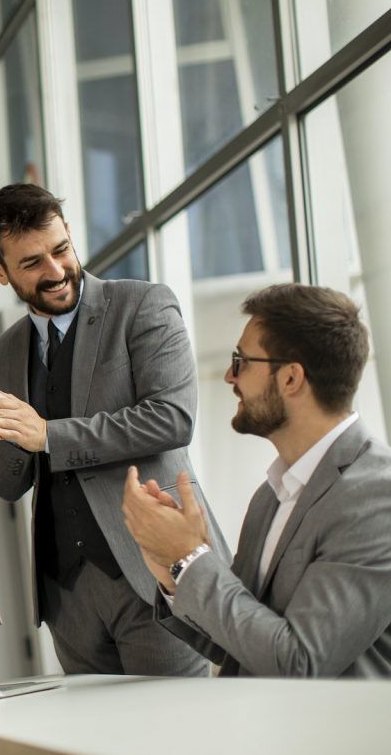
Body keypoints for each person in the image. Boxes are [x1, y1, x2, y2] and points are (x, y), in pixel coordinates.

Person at [0, 183, 227, 676]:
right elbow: (5, 483)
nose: (56, 271)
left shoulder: (142, 305)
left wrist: (49, 436)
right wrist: (2, 434)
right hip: (67, 597)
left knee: (181, 738)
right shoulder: (0, 355)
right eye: (31, 263)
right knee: (94, 751)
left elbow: (172, 418)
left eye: (61, 250)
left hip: (155, 575)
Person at [122, 284, 391, 677]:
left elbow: (298, 662)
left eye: (242, 360)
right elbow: (234, 641)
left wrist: (190, 558)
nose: (230, 375)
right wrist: (174, 570)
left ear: (291, 379)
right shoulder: (270, 496)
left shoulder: (377, 497)